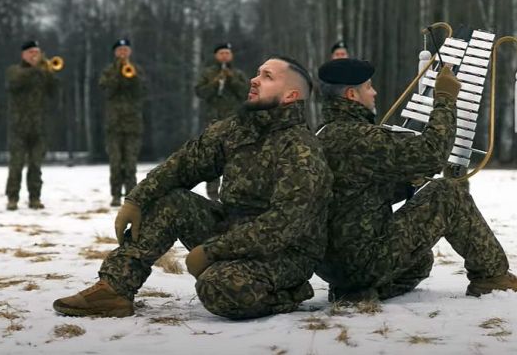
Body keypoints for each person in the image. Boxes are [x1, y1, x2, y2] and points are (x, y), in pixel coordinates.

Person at [53, 56, 332, 320]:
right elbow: (185, 164)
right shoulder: (238, 130)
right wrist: (136, 199)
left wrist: (213, 250)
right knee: (172, 202)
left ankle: (291, 292)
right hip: (233, 230)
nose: (254, 80)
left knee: (219, 288)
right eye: (257, 73)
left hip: (285, 253)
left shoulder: (300, 149)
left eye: (267, 76)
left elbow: (283, 225)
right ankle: (114, 290)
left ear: (290, 96)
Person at [315, 58, 517, 302]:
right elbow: (433, 153)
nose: (375, 92)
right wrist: (444, 98)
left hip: (334, 268)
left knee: (420, 261)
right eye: (369, 87)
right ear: (351, 94)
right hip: (362, 261)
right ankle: (492, 277)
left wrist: (406, 183)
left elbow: (357, 195)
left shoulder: (324, 134)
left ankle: (355, 291)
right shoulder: (359, 137)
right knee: (446, 192)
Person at [5, 40, 59, 210]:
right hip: (18, 127)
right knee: (17, 164)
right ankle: (12, 198)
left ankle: (34, 198)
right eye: (31, 52)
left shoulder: (42, 73)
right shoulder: (15, 70)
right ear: (23, 54)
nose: (34, 55)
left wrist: (49, 73)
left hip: (39, 127)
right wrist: (35, 69)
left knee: (36, 165)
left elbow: (54, 91)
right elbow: (14, 83)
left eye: (37, 52)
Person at [195, 42, 249, 200]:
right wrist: (215, 82)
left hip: (235, 121)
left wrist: (231, 80)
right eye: (221, 53)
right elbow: (200, 92)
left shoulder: (237, 74)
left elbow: (246, 92)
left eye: (227, 53)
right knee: (213, 156)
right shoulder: (207, 74)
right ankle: (212, 193)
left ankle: (234, 191)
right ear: (216, 56)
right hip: (213, 120)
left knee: (235, 156)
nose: (224, 56)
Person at [99, 39, 146, 207]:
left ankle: (131, 197)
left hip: (133, 124)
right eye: (120, 50)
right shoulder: (108, 71)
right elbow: (107, 90)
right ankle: (115, 195)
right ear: (115, 53)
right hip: (113, 125)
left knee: (131, 163)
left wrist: (132, 77)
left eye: (126, 50)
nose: (123, 53)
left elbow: (142, 90)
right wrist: (118, 73)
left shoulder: (137, 70)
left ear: (130, 52)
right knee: (116, 163)